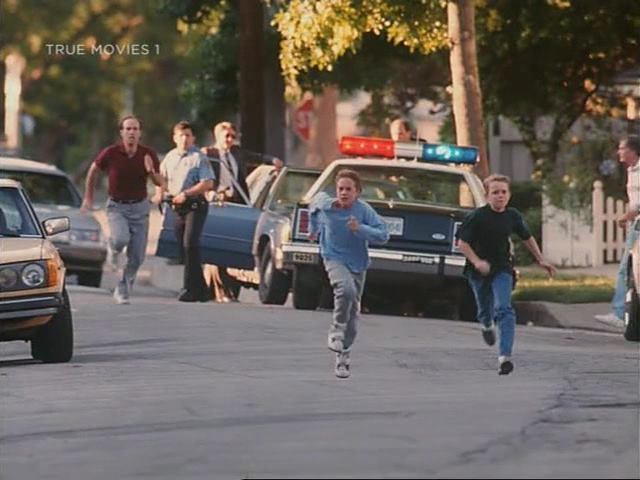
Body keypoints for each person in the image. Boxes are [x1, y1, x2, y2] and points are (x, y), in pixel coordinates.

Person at [455, 173, 556, 375]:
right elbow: (462, 243)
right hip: (478, 270)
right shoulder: (477, 217)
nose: (500, 196)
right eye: (495, 192)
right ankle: (486, 325)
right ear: (487, 196)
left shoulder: (512, 216)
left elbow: (527, 237)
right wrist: (477, 262)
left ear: (509, 195)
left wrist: (540, 259)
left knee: (504, 309)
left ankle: (505, 357)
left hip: (502, 268)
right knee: (485, 310)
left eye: (503, 192)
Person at [308, 169, 389, 378]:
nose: (344, 193)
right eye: (341, 189)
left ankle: (343, 355)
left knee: (353, 316)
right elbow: (314, 205)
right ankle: (335, 331)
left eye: (348, 189)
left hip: (357, 263)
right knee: (346, 290)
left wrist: (359, 228)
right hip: (333, 257)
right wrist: (313, 229)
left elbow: (383, 235)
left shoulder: (364, 210)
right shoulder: (328, 205)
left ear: (357, 192)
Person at [81, 115, 164, 305]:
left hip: (140, 208)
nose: (131, 132)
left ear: (140, 133)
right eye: (128, 129)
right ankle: (113, 247)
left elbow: (160, 182)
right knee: (120, 238)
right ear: (122, 132)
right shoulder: (110, 153)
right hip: (117, 207)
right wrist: (88, 197)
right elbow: (93, 171)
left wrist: (151, 171)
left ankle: (123, 289)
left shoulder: (147, 154)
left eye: (135, 129)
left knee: (136, 257)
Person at [200, 121, 283, 302]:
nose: (230, 139)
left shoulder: (237, 152)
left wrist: (273, 161)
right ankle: (219, 291)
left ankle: (229, 290)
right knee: (218, 247)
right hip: (217, 204)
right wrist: (210, 193)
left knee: (233, 247)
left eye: (232, 136)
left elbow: (257, 157)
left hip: (237, 204)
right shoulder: (208, 154)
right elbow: (201, 176)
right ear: (217, 136)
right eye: (226, 136)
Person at [153, 121, 215, 302]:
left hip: (195, 206)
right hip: (176, 207)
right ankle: (202, 290)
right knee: (184, 249)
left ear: (193, 138)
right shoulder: (170, 157)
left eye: (188, 135)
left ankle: (189, 288)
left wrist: (186, 194)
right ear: (174, 138)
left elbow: (208, 183)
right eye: (181, 135)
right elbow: (161, 179)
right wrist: (159, 194)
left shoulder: (199, 158)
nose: (185, 139)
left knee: (190, 244)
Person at [595, 136, 640, 326]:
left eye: (622, 148)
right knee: (630, 271)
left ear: (633, 150)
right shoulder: (632, 170)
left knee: (625, 270)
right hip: (636, 224)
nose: (619, 152)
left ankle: (619, 314)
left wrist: (624, 217)